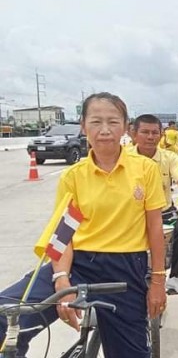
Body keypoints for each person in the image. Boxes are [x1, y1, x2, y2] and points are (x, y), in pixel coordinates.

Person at [0, 92, 167, 358]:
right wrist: (61, 279)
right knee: (7, 313)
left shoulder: (145, 170)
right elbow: (64, 234)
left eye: (113, 122)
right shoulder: (73, 176)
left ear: (125, 127)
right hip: (78, 263)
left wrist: (158, 281)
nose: (104, 130)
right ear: (83, 126)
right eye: (95, 121)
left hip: (125, 268)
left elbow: (155, 228)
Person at [131, 114, 178, 295]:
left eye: (155, 132)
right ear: (134, 134)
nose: (150, 137)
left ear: (161, 135)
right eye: (145, 132)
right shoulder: (125, 157)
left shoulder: (169, 158)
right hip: (133, 214)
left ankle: (175, 275)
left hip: (164, 212)